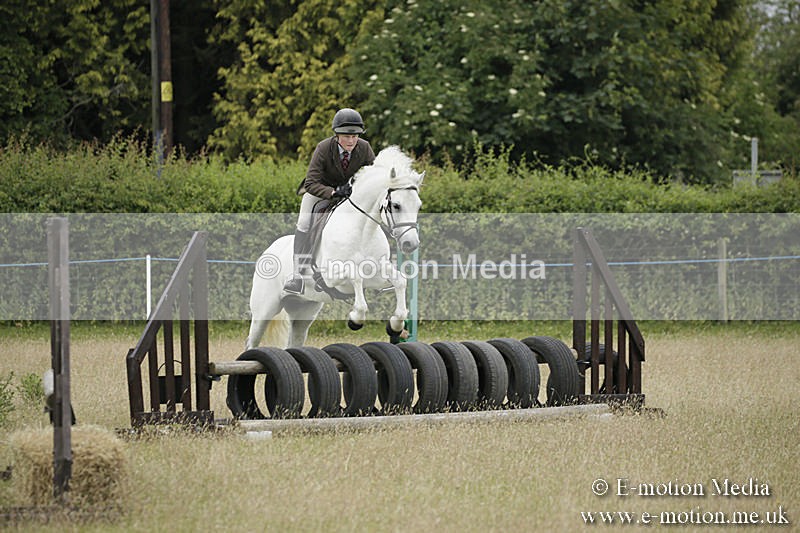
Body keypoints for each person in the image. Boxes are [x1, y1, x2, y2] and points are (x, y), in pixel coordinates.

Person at [283, 108, 376, 294]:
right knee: (303, 222)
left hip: (350, 195)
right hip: (320, 191)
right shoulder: (324, 148)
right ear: (337, 135)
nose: (351, 140)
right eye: (346, 136)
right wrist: (333, 192)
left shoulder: (364, 148)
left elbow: (374, 175)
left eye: (355, 136)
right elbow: (311, 183)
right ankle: (297, 276)